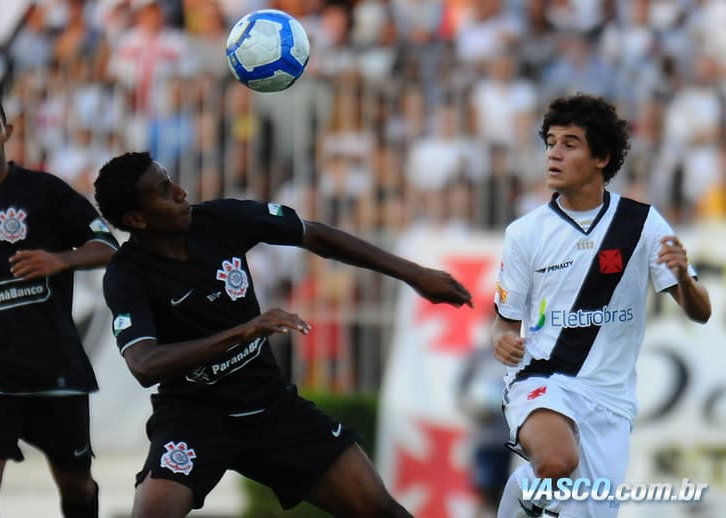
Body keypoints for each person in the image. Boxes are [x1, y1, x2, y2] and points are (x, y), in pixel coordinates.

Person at [92, 151, 473, 518]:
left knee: (378, 509)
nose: (180, 192)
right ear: (137, 220)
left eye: (171, 181)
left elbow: (316, 236)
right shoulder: (127, 275)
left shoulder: (222, 220)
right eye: (162, 191)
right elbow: (144, 364)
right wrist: (243, 332)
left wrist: (415, 275)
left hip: (271, 407)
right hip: (194, 419)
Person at [490, 94, 711, 517]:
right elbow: (503, 325)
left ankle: (525, 494)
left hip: (611, 400)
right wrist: (501, 342)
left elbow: (700, 312)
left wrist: (683, 275)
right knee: (556, 461)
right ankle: (524, 496)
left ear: (601, 158)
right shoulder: (524, 234)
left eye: (569, 144)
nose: (554, 154)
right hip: (543, 377)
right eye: (550, 143)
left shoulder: (641, 224)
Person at [0, 93, 119, 518]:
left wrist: (62, 259)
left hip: (53, 367)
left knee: (75, 483)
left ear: (7, 132)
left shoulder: (43, 190)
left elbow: (106, 245)